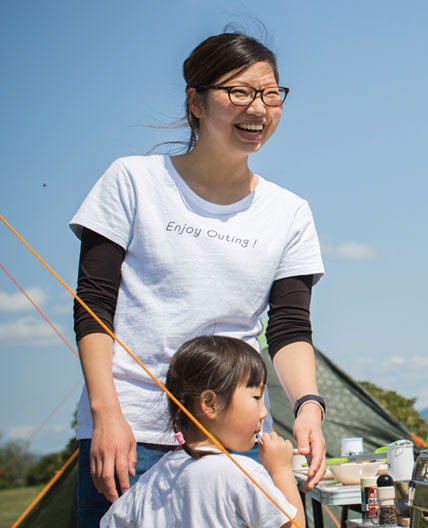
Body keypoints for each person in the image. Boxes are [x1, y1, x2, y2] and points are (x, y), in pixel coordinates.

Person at [71, 32, 327, 526]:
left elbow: (290, 328)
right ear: (195, 100)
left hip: (237, 440)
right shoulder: (132, 180)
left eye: (271, 94)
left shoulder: (290, 212)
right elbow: (93, 303)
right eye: (240, 92)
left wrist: (308, 406)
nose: (259, 108)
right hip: (130, 433)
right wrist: (105, 413)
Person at [101, 335, 305, 528]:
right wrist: (281, 471)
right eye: (255, 397)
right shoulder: (243, 474)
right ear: (210, 404)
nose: (263, 412)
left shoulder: (153, 479)